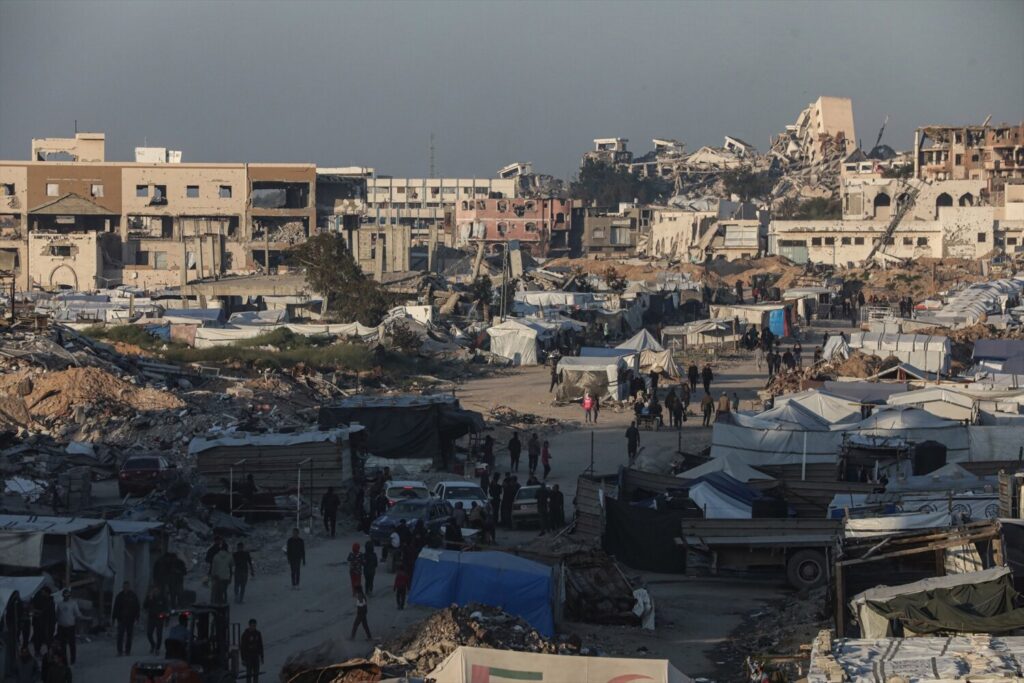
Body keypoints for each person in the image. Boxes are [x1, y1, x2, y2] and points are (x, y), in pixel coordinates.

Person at [54, 589, 83, 664]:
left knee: (72, 644)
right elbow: (57, 614)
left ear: (69, 595)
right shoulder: (59, 604)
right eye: (65, 595)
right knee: (62, 645)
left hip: (70, 626)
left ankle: (73, 659)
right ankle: (64, 659)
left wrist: (79, 621)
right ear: (63, 595)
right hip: (61, 626)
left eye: (68, 595)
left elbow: (77, 614)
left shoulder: (73, 603)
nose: (66, 596)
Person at [112, 581, 140, 656]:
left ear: (129, 586)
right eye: (125, 586)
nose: (126, 587)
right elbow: (116, 607)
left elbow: (137, 607)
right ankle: (119, 651)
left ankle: (127, 651)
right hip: (121, 619)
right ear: (123, 587)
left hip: (130, 619)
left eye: (127, 586)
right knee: (120, 635)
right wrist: (114, 617)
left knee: (129, 635)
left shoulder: (133, 596)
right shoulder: (119, 596)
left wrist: (137, 617)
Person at [143, 585, 167, 656]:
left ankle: (157, 648)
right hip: (151, 618)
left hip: (159, 618)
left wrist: (166, 616)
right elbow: (145, 606)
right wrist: (149, 598)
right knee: (149, 633)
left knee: (159, 635)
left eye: (157, 590)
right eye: (154, 590)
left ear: (159, 590)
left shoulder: (162, 598)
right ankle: (153, 644)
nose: (155, 591)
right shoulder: (150, 597)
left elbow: (166, 607)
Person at [30, 587, 55, 656]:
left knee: (48, 637)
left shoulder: (50, 600)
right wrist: (36, 612)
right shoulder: (38, 597)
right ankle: (37, 651)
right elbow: (32, 607)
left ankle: (50, 652)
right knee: (38, 637)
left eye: (44, 592)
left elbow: (51, 613)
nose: (43, 593)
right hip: (38, 622)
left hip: (47, 622)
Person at [240, 619, 264, 683]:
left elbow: (260, 646)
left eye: (255, 625)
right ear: (249, 625)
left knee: (256, 674)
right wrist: (243, 659)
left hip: (256, 656)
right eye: (252, 625)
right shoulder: (245, 634)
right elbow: (242, 648)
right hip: (248, 657)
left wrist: (261, 656)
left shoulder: (258, 634)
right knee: (249, 674)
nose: (254, 627)